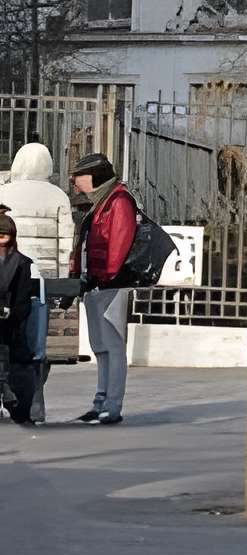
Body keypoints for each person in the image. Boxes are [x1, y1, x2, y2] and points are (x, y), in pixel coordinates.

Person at [4, 143, 73, 424]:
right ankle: (35, 404)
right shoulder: (58, 196)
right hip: (43, 284)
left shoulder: (3, 193)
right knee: (37, 346)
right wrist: (61, 281)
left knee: (6, 340)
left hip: (8, 279)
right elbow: (65, 244)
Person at [70, 152, 140, 425]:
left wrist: (107, 276)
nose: (76, 183)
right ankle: (100, 401)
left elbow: (119, 243)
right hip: (95, 283)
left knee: (112, 345)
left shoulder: (118, 200)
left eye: (79, 177)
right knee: (100, 346)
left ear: (94, 176)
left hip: (111, 284)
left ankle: (112, 405)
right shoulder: (101, 202)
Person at [0, 211, 42, 427]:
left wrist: (12, 316)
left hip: (13, 325)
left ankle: (21, 408)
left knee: (20, 360)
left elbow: (22, 301)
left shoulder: (21, 263)